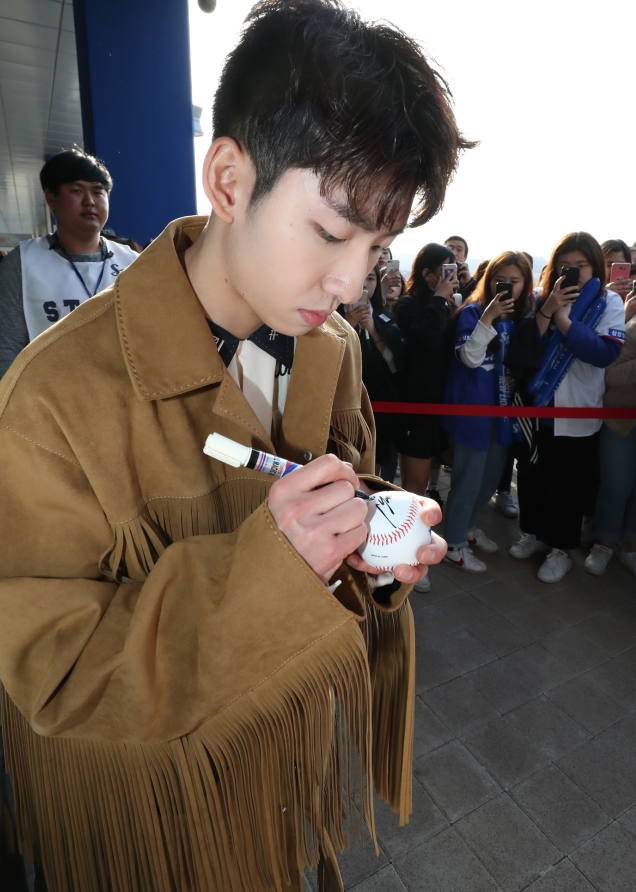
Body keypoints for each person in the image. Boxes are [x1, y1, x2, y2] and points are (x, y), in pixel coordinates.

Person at [0, 2, 470, 889]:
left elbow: (343, 489)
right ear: (227, 180)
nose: (350, 281)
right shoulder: (53, 397)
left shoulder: (334, 349)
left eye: (377, 247)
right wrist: (268, 570)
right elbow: (53, 674)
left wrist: (369, 536)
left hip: (290, 775)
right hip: (160, 821)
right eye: (330, 231)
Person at [512, 232, 625, 583]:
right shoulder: (539, 297)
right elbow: (524, 348)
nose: (574, 272)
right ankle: (532, 532)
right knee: (531, 476)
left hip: (578, 411)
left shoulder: (609, 302)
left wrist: (564, 321)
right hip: (536, 408)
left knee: (567, 484)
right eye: (566, 265)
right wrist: (549, 310)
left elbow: (604, 353)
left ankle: (560, 549)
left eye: (582, 265)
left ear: (596, 267)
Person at [0, 148, 138, 378]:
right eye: (77, 191)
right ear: (51, 197)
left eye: (98, 192)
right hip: (49, 395)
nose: (90, 201)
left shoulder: (133, 263)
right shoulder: (22, 264)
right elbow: (6, 350)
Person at [441, 252, 534, 572]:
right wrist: (488, 317)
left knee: (491, 478)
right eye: (499, 279)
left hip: (501, 413)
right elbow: (469, 357)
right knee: (467, 480)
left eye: (514, 281)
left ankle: (467, 528)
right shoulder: (473, 312)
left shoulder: (521, 318)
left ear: (525, 284)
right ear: (488, 279)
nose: (505, 286)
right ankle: (453, 545)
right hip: (471, 414)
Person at [395, 243, 458, 501]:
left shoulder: (446, 305)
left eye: (453, 269)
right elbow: (426, 341)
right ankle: (409, 525)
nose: (450, 276)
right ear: (426, 273)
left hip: (441, 404)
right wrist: (438, 300)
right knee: (415, 485)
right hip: (417, 407)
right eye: (445, 270)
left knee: (429, 473)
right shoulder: (408, 304)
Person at [585, 293, 636, 578]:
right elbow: (610, 374)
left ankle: (631, 546)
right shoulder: (633, 329)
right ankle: (603, 542)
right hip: (620, 423)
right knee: (616, 486)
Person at [444, 234, 477, 300]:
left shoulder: (469, 283)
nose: (453, 253)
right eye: (449, 249)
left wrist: (470, 283)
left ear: (465, 257)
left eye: (459, 250)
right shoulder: (433, 277)